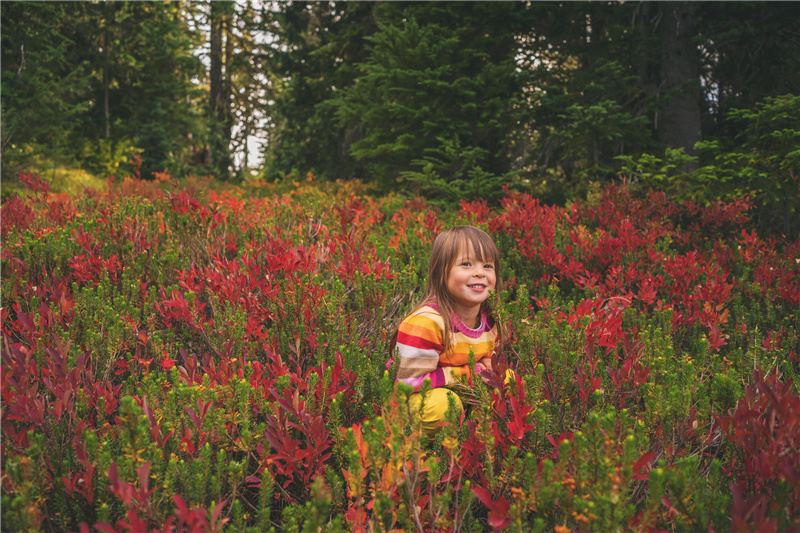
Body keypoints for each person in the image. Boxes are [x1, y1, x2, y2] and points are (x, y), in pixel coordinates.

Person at [394, 225, 504, 436]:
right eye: (466, 264)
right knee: (443, 405)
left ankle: (473, 438)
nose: (480, 272)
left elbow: (487, 363)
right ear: (441, 272)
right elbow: (408, 383)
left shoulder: (490, 322)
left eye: (488, 266)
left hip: (462, 392)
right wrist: (468, 373)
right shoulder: (426, 323)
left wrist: (490, 369)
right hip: (415, 401)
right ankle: (420, 444)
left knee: (508, 380)